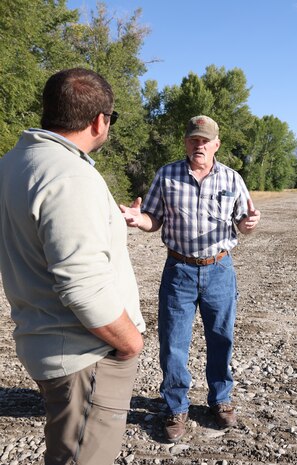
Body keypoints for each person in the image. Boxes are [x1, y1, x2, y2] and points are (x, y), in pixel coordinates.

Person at [0, 68, 145, 465]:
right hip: (85, 355)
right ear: (100, 121)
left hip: (46, 343)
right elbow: (81, 284)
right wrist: (131, 342)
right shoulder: (69, 176)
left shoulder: (14, 163)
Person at [119, 115, 260, 442]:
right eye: (194, 139)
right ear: (186, 142)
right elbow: (153, 217)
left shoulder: (232, 179)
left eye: (205, 140)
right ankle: (175, 406)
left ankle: (220, 399)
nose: (199, 145)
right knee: (173, 343)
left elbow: (243, 221)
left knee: (221, 337)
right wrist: (138, 219)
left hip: (219, 269)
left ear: (216, 145)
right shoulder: (166, 175)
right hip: (178, 269)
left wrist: (250, 224)